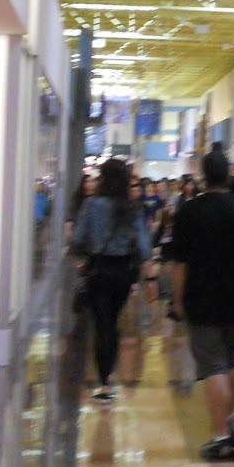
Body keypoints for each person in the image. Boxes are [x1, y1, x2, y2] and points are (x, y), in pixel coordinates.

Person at [163, 148, 234, 460]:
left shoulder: (189, 211)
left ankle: (220, 435)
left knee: (212, 366)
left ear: (203, 176)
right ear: (228, 174)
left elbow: (179, 264)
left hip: (201, 298)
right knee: (233, 361)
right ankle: (229, 418)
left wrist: (177, 300)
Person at [72, 158, 151, 403]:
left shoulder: (91, 205)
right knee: (113, 321)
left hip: (98, 270)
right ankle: (109, 378)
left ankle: (104, 382)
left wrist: (86, 253)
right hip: (123, 272)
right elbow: (145, 249)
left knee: (102, 324)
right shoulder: (132, 208)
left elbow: (78, 240)